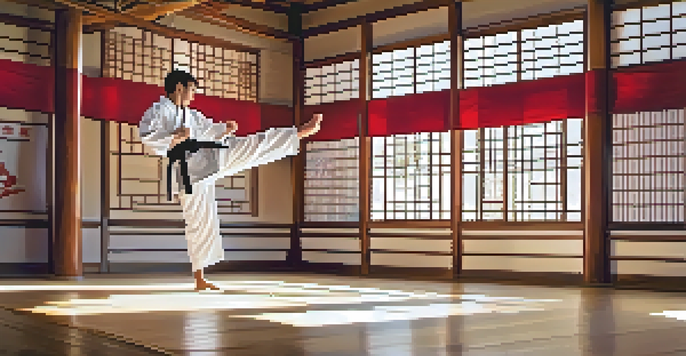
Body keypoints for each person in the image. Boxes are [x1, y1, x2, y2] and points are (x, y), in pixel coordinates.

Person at [139, 69, 322, 291]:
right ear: (179, 87)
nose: (193, 96)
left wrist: (223, 129)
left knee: (250, 145)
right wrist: (175, 137)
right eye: (192, 90)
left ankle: (298, 133)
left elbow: (207, 130)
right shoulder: (158, 111)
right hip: (188, 173)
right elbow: (148, 136)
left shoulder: (192, 115)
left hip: (209, 158)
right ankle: (200, 277)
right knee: (200, 222)